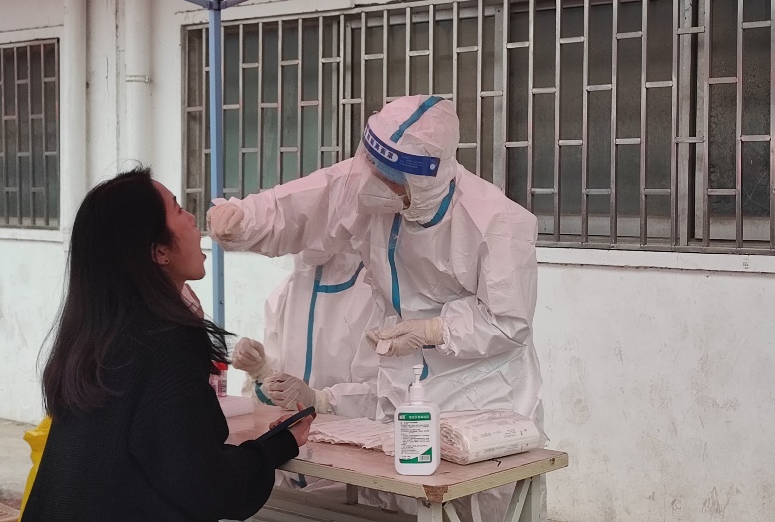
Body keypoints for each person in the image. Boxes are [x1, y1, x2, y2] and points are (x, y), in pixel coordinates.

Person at [207, 95, 542, 521]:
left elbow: (509, 322)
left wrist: (434, 330)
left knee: (469, 506)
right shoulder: (369, 185)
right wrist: (245, 217)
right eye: (372, 168)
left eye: (390, 178)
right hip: (404, 385)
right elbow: (307, 202)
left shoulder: (497, 223)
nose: (373, 185)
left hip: (481, 392)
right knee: (390, 505)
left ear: (424, 178)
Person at [22, 168, 311, 522]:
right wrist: (280, 444)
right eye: (178, 209)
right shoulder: (166, 341)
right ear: (159, 251)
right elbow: (205, 485)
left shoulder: (94, 334)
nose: (193, 218)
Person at [231, 249, 385, 496]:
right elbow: (275, 391)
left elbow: (385, 395)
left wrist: (320, 400)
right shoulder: (286, 291)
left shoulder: (373, 293)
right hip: (286, 469)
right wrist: (261, 370)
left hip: (351, 480)